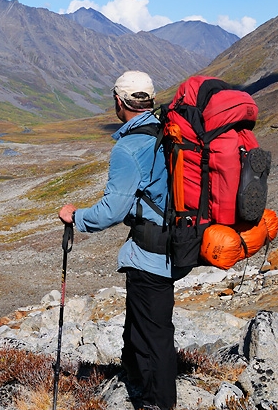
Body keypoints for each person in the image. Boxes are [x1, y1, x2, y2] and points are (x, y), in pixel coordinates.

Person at [58, 70, 190, 410]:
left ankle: (157, 403)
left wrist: (77, 217)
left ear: (119, 102)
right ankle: (131, 375)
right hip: (173, 244)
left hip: (151, 254)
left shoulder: (129, 148)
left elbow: (112, 210)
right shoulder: (167, 133)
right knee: (140, 325)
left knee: (154, 336)